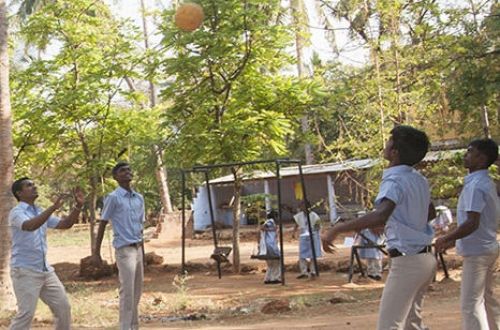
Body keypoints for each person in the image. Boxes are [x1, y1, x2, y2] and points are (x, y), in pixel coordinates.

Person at [322, 125, 436, 330]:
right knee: (413, 323)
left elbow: (381, 214)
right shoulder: (419, 179)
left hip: (408, 260)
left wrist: (337, 229)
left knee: (389, 325)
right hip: (425, 258)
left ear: (394, 152)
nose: (386, 145)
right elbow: (430, 214)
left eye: (389, 142)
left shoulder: (394, 179)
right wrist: (400, 223)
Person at [435, 139, 500, 329]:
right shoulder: (485, 182)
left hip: (478, 251)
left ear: (481, 158)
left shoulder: (476, 185)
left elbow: (472, 222)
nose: (466, 155)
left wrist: (447, 238)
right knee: (486, 299)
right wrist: (453, 240)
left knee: (471, 304)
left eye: (470, 152)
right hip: (486, 246)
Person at [8, 177, 84, 330]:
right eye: (29, 185)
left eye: (34, 184)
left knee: (63, 308)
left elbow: (66, 224)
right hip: (25, 271)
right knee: (26, 315)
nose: (34, 187)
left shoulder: (39, 210)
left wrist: (78, 206)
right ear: (19, 193)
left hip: (45, 270)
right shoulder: (16, 213)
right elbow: (29, 226)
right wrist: (53, 208)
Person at [93, 162, 145, 330]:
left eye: (129, 169)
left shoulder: (139, 198)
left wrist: (143, 250)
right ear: (115, 177)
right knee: (127, 291)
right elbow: (102, 223)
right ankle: (125, 327)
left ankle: (134, 326)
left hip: (138, 248)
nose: (127, 172)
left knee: (137, 290)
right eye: (122, 171)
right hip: (124, 250)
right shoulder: (113, 198)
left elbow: (140, 225)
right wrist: (96, 252)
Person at [293, 201, 322, 279]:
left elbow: (318, 225)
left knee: (313, 254)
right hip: (303, 236)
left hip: (313, 235)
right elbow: (296, 224)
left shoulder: (314, 215)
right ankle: (304, 272)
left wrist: (313, 231)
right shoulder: (300, 215)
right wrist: (294, 232)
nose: (301, 208)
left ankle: (313, 271)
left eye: (302, 206)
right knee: (302, 254)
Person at [257, 210, 281, 284]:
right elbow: (262, 227)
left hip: (267, 246)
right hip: (270, 245)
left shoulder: (268, 221)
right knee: (277, 261)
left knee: (270, 264)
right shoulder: (271, 222)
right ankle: (275, 278)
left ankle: (268, 278)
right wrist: (273, 229)